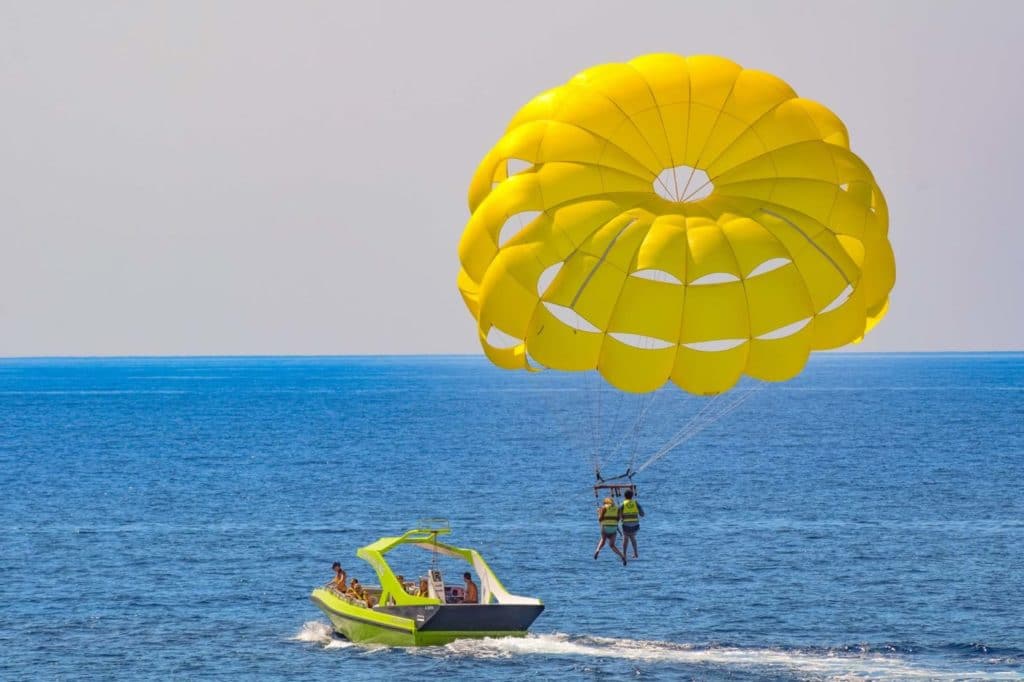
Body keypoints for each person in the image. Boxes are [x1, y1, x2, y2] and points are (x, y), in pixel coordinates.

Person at [594, 497, 627, 565]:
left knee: (603, 539)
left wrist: (599, 512)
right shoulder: (617, 508)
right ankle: (622, 556)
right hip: (613, 528)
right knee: (612, 545)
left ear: (605, 502)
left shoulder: (604, 507)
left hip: (605, 527)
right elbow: (618, 519)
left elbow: (600, 519)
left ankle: (597, 550)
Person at [620, 488, 645, 559]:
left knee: (625, 538)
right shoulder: (635, 503)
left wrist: (621, 518)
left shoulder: (623, 504)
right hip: (635, 526)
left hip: (626, 525)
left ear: (624, 496)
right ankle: (635, 552)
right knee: (633, 537)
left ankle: (624, 554)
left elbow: (618, 513)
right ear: (632, 496)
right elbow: (642, 514)